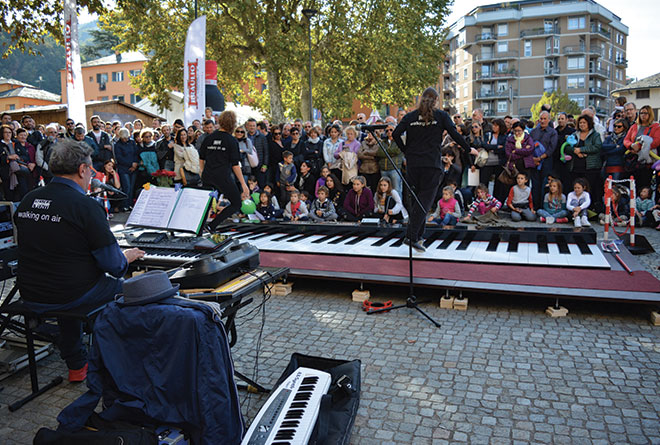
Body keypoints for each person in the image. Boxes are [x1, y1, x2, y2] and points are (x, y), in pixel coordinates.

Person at [15, 139, 144, 381]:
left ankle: (76, 365)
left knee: (69, 282)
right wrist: (125, 257)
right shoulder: (85, 206)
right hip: (70, 293)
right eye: (90, 170)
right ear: (83, 170)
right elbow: (114, 267)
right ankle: (126, 362)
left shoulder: (28, 200)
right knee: (131, 289)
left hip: (31, 291)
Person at [393, 87, 469, 251]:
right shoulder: (441, 116)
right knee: (424, 203)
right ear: (435, 100)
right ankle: (411, 237)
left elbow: (395, 134)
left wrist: (406, 151)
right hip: (431, 165)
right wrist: (468, 148)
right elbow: (454, 134)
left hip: (413, 165)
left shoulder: (410, 117)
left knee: (417, 202)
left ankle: (418, 236)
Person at [200, 110, 250, 230]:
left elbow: (201, 158)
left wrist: (202, 172)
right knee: (236, 203)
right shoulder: (231, 141)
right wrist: (243, 184)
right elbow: (235, 164)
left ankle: (199, 228)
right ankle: (212, 225)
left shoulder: (209, 138)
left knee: (205, 205)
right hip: (222, 176)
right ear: (233, 124)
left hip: (207, 175)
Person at [565, 114, 603, 210]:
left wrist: (581, 149)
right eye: (580, 123)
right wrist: (575, 151)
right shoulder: (574, 135)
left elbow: (597, 147)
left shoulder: (595, 135)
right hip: (575, 167)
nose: (582, 125)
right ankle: (574, 210)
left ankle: (590, 210)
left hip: (590, 167)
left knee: (589, 189)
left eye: (584, 123)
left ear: (589, 124)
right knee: (575, 189)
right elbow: (567, 147)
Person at [623, 105, 660, 191]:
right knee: (633, 184)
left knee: (644, 184)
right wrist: (631, 146)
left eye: (646, 113)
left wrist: (639, 146)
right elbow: (626, 140)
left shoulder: (656, 126)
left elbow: (656, 141)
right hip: (634, 160)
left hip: (648, 160)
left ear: (650, 114)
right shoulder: (634, 126)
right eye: (641, 113)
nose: (643, 115)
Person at [529, 111, 558, 209]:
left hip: (546, 161)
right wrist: (533, 159)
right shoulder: (533, 132)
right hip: (534, 162)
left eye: (545, 119)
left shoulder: (553, 132)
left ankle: (544, 207)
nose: (543, 121)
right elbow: (529, 145)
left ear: (549, 120)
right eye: (541, 119)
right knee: (535, 185)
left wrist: (540, 158)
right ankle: (535, 207)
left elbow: (552, 148)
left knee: (545, 185)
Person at [376, 123, 404, 197]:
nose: (389, 132)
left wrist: (385, 151)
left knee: (397, 189)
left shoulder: (399, 140)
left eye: (391, 130)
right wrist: (389, 152)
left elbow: (397, 150)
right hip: (384, 169)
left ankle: (399, 207)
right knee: (384, 190)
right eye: (387, 130)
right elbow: (379, 152)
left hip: (394, 168)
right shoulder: (383, 142)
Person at [113, 128, 138, 210]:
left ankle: (130, 204)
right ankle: (124, 205)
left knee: (131, 187)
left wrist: (135, 163)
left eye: (126, 138)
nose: (125, 139)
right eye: (124, 138)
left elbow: (135, 153)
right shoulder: (117, 145)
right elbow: (119, 158)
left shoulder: (132, 142)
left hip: (133, 168)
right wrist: (131, 164)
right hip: (123, 168)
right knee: (126, 187)